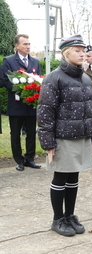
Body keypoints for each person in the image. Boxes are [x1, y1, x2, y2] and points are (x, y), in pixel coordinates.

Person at [37, 35, 92, 236]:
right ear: (66, 53)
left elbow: (91, 110)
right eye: (77, 50)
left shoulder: (85, 78)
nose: (83, 54)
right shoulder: (54, 78)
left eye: (83, 50)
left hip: (81, 136)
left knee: (74, 176)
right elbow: (46, 112)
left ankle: (69, 215)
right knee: (61, 177)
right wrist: (47, 142)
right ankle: (57, 219)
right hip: (63, 137)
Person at [1, 34, 42, 171]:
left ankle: (30, 158)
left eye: (29, 44)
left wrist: (34, 90)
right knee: (15, 133)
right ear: (17, 46)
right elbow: (4, 80)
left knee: (31, 132)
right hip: (16, 104)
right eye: (25, 44)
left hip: (31, 104)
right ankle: (19, 160)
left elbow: (38, 78)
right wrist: (22, 89)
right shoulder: (9, 61)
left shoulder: (35, 61)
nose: (28, 46)